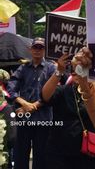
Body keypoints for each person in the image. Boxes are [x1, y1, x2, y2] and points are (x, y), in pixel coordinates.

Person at [41, 53, 95, 169]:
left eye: (81, 70)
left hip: (87, 152)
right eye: (75, 71)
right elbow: (45, 96)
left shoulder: (92, 94)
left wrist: (89, 75)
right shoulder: (63, 91)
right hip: (59, 152)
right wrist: (59, 71)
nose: (78, 73)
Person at [6, 37, 54, 169]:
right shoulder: (23, 67)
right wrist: (22, 102)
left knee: (42, 157)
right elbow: (10, 87)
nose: (37, 50)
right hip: (23, 119)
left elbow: (54, 93)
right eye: (35, 47)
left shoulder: (51, 69)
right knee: (20, 156)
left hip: (43, 119)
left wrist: (31, 107)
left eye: (40, 48)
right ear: (30, 49)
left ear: (44, 50)